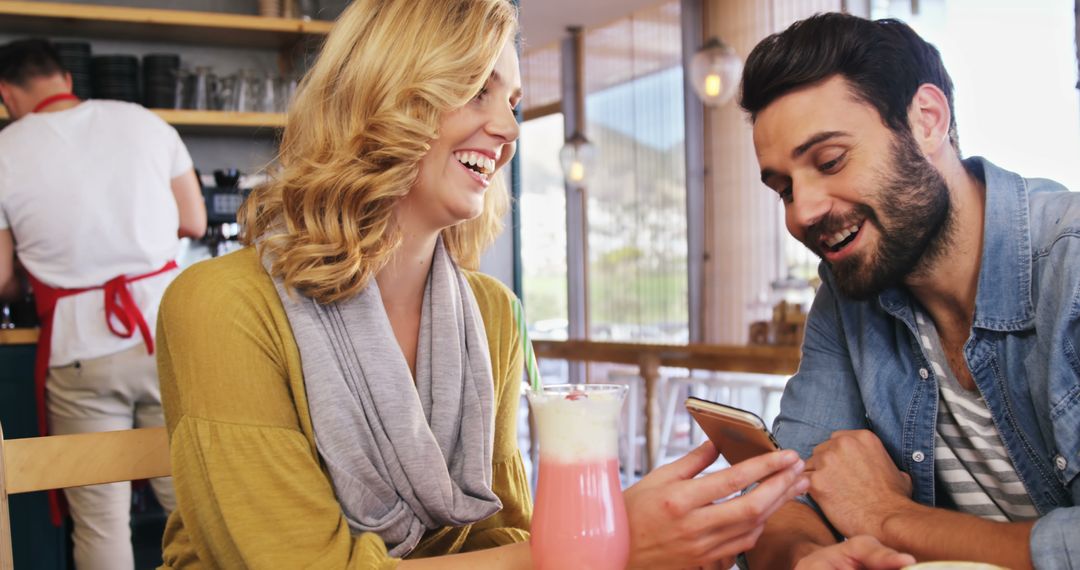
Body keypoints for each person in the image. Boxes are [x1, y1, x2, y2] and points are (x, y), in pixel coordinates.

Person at [154, 0, 812, 568]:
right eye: (476, 88)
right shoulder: (223, 307)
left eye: (514, 102)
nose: (506, 130)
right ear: (384, 92)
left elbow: (502, 532)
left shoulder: (493, 314)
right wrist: (597, 546)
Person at [736, 12, 1080, 569]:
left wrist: (887, 518)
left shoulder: (1070, 262)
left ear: (926, 120)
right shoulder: (849, 291)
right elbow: (784, 491)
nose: (802, 212)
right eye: (783, 190)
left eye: (830, 160)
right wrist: (804, 557)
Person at [0, 39, 206, 569]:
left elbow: (1, 278)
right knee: (199, 506)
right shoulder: (143, 121)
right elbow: (195, 223)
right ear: (66, 79)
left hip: (80, 348)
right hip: (170, 336)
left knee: (100, 521)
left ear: (6, 94)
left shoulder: (5, 149)